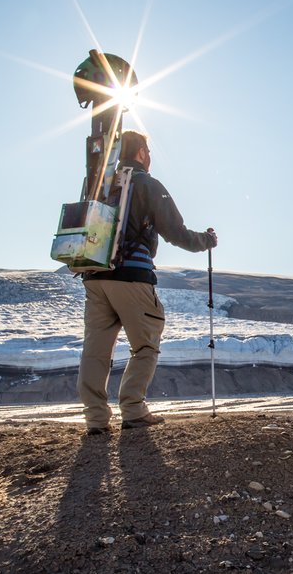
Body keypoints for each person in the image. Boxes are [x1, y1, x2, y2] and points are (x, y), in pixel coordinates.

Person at [78, 130, 217, 434]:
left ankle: (96, 420)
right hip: (132, 277)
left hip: (94, 275)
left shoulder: (99, 183)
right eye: (149, 151)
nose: (151, 157)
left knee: (96, 350)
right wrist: (206, 241)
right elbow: (176, 233)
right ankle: (133, 409)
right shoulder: (147, 184)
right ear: (141, 152)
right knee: (146, 343)